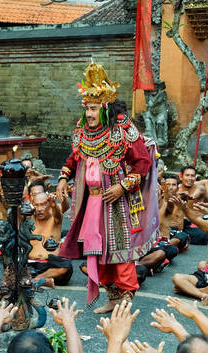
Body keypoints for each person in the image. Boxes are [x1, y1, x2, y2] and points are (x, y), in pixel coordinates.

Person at [56, 65, 157, 312]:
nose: (88, 114)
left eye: (92, 109)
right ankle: (112, 298)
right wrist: (62, 178)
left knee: (120, 252)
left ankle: (126, 299)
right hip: (92, 202)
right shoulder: (83, 129)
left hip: (117, 203)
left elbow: (142, 162)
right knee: (97, 251)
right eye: (86, 108)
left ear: (105, 108)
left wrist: (122, 187)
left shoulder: (122, 128)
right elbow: (75, 156)